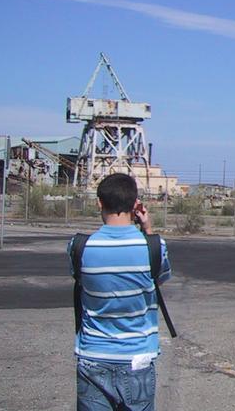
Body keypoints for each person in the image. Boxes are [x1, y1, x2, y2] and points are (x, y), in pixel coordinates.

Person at [68, 173, 172, 411]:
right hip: (137, 358)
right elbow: (161, 278)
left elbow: (78, 278)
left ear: (99, 203)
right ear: (135, 204)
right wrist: (148, 229)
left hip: (93, 356)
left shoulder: (79, 247)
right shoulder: (154, 247)